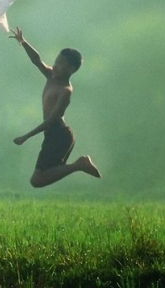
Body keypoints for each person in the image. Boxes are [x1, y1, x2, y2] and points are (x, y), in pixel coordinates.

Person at [9, 27, 101, 187]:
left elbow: (52, 120)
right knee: (40, 179)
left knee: (37, 180)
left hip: (59, 136)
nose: (55, 66)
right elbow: (37, 61)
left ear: (71, 69)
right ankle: (79, 165)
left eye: (60, 64)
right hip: (53, 135)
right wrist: (23, 42)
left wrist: (27, 136)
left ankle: (79, 165)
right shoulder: (51, 76)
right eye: (56, 62)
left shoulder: (65, 91)